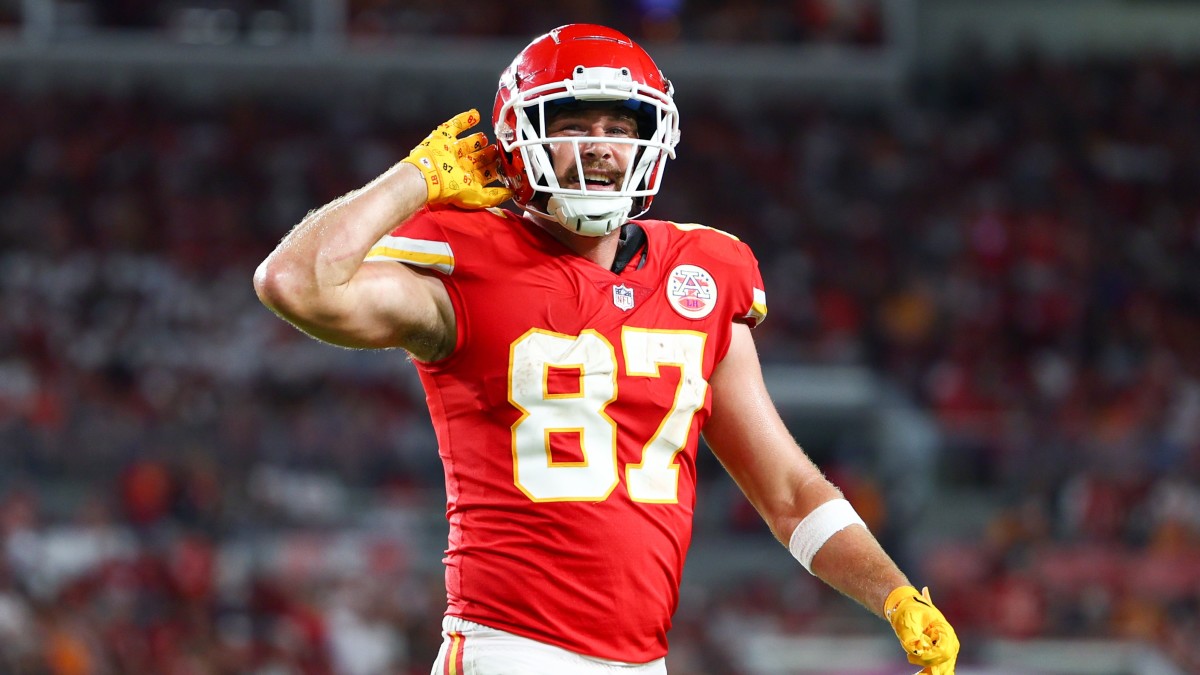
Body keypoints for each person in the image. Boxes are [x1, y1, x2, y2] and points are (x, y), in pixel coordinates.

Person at [254, 23, 959, 675]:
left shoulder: (705, 271)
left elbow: (788, 490)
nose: (599, 144)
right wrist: (413, 180)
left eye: (620, 126)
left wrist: (896, 595)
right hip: (510, 651)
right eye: (573, 123)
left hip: (643, 662)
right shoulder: (471, 263)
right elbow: (293, 282)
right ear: (519, 137)